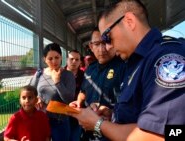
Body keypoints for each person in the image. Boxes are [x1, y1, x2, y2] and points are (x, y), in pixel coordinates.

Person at [70, 0, 185, 141]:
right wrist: (112, 115)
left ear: (129, 21)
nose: (107, 47)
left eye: (107, 37)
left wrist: (98, 124)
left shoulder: (166, 59)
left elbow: (166, 134)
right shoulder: (135, 63)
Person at [72, 27, 125, 141]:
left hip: (112, 133)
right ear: (91, 46)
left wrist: (111, 113)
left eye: (106, 42)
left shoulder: (124, 67)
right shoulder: (90, 69)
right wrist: (78, 102)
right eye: (97, 44)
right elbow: (83, 91)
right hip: (87, 132)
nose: (102, 49)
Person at [30, 43, 76, 141]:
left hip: (60, 122)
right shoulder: (39, 74)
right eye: (50, 59)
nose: (54, 61)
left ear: (61, 57)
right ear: (44, 59)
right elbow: (29, 92)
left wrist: (57, 82)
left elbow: (69, 99)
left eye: (57, 57)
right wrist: (36, 98)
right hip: (41, 120)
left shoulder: (68, 75)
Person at [65, 50, 84, 141]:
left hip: (77, 113)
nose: (74, 62)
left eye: (77, 59)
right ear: (66, 60)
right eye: (71, 59)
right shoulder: (59, 74)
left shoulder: (84, 76)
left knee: (75, 138)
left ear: (80, 62)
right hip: (62, 114)